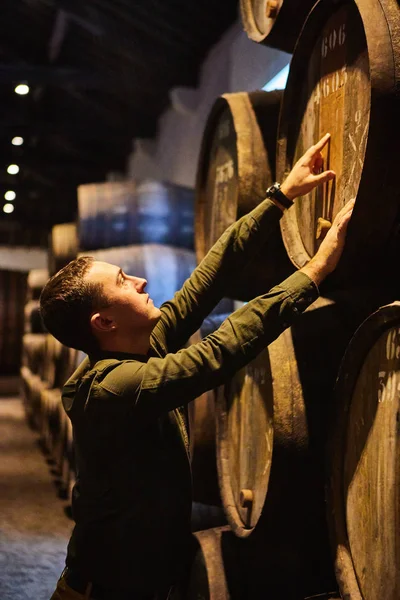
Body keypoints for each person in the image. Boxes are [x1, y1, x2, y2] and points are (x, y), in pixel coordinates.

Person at [41, 133, 353, 600]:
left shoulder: (140, 349)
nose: (141, 279)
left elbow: (209, 276)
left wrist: (280, 195)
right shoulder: (114, 388)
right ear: (104, 322)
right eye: (124, 281)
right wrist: (312, 275)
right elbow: (217, 352)